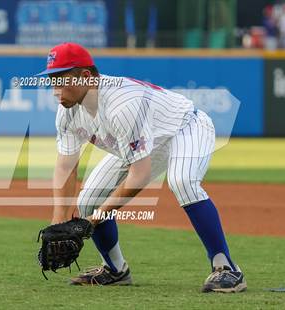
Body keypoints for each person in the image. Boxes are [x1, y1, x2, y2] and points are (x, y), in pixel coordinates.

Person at [36, 42, 247, 293]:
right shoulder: (67, 112)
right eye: (52, 80)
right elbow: (65, 167)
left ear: (85, 76)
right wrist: (59, 218)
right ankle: (115, 270)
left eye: (61, 79)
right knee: (89, 199)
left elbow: (140, 175)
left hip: (185, 127)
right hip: (146, 141)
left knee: (183, 182)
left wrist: (95, 219)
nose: (55, 89)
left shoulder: (121, 105)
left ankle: (227, 268)